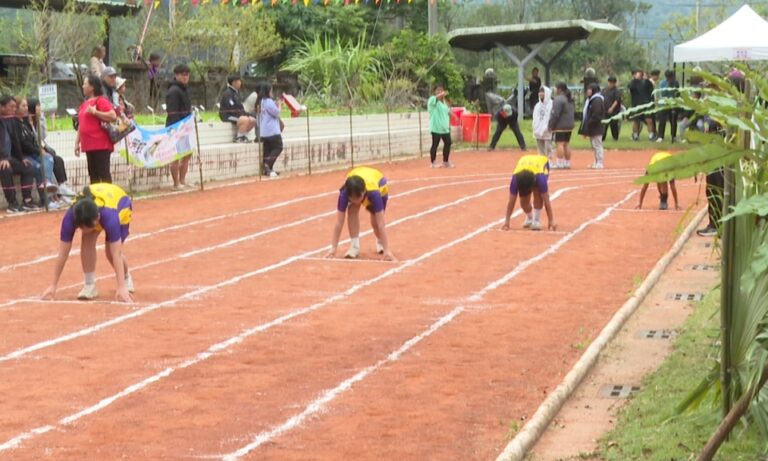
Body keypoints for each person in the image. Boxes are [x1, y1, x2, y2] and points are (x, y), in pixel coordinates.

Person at [42, 184, 134, 303]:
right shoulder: (70, 218)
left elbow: (117, 253)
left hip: (120, 205)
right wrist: (53, 285)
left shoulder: (110, 217)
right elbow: (62, 253)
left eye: (88, 227)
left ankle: (126, 278)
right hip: (98, 204)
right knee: (87, 238)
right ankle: (89, 285)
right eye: (81, 228)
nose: (85, 231)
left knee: (110, 253)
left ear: (98, 218)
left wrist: (121, 287)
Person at [325, 166, 395, 261]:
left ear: (363, 192)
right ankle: (355, 246)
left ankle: (380, 240)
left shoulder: (374, 193)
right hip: (358, 177)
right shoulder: (344, 193)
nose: (357, 201)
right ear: (348, 195)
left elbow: (381, 223)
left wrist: (387, 250)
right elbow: (339, 222)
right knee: (352, 209)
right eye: (352, 199)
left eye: (358, 198)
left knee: (375, 223)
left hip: (379, 184)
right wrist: (333, 248)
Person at [14, 97, 60, 208]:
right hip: (24, 155)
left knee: (49, 158)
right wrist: (39, 151)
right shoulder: (15, 123)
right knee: (39, 167)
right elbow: (24, 144)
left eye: (26, 105)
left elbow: (38, 138)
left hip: (33, 152)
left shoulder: (27, 121)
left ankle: (47, 183)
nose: (26, 108)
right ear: (17, 108)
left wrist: (38, 120)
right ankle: (46, 200)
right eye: (23, 106)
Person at [28, 98, 75, 201]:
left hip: (41, 148)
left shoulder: (38, 119)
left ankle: (61, 186)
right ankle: (56, 193)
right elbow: (35, 139)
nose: (40, 108)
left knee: (58, 159)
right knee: (49, 161)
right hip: (34, 151)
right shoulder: (28, 121)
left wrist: (41, 118)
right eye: (37, 105)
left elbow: (43, 136)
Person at [76, 75, 117, 184]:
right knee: (93, 175)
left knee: (103, 173)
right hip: (88, 144)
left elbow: (113, 116)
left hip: (100, 144)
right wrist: (77, 142)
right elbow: (81, 124)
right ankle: (96, 194)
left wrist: (96, 112)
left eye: (85, 84)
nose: (83, 86)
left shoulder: (101, 101)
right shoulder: (84, 104)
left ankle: (108, 193)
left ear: (92, 87)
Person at [501, 153, 556, 231]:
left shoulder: (541, 178)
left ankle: (536, 219)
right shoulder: (515, 179)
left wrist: (551, 221)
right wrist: (507, 221)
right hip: (525, 161)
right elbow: (511, 201)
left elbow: (546, 200)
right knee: (523, 200)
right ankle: (530, 218)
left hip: (541, 164)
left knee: (537, 192)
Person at [0, 95, 36, 213]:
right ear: (1, 107)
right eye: (11, 107)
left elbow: (15, 141)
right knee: (5, 169)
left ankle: (27, 200)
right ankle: (12, 203)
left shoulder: (12, 120)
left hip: (9, 157)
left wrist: (21, 158)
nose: (14, 110)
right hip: (2, 158)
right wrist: (2, 157)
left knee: (28, 167)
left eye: (15, 107)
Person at [165, 63, 193, 189]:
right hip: (175, 127)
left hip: (186, 126)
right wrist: (177, 128)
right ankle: (176, 183)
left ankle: (182, 180)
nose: (185, 77)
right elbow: (172, 111)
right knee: (175, 155)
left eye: (187, 75)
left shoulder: (185, 89)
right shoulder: (173, 91)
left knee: (187, 154)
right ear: (176, 75)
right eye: (183, 75)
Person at [255, 82, 284, 178]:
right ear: (267, 91)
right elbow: (277, 113)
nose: (272, 92)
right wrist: (279, 105)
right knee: (278, 147)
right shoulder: (268, 101)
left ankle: (268, 169)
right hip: (272, 130)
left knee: (267, 150)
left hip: (264, 131)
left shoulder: (261, 102)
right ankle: (267, 165)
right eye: (271, 90)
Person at [219, 74, 257, 143]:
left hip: (236, 115)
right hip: (228, 116)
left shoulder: (236, 93)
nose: (240, 83)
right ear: (234, 82)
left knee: (253, 120)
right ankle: (239, 137)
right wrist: (243, 116)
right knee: (245, 119)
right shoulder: (228, 93)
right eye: (239, 81)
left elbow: (240, 107)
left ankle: (243, 134)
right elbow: (231, 109)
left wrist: (247, 114)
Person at [548, 82, 575, 169]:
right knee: (566, 144)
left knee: (559, 144)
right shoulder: (569, 98)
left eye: (555, 88)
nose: (555, 90)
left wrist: (550, 125)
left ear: (559, 89)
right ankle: (567, 163)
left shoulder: (558, 99)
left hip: (560, 125)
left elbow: (555, 114)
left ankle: (559, 162)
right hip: (569, 125)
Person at [579, 83, 606, 169]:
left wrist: (589, 123)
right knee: (594, 145)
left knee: (597, 145)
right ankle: (596, 161)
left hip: (596, 126)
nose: (588, 91)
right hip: (593, 126)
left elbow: (596, 115)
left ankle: (600, 162)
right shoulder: (591, 100)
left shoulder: (597, 100)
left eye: (590, 89)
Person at [427, 84, 453, 168]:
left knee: (448, 143)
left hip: (444, 128)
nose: (440, 92)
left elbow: (448, 111)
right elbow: (437, 97)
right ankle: (433, 162)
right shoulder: (432, 100)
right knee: (435, 144)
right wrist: (442, 94)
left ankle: (445, 161)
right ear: (435, 92)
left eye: (441, 90)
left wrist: (453, 115)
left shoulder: (444, 102)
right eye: (438, 90)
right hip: (436, 128)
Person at [628, 69, 656, 141]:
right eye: (638, 74)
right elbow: (630, 87)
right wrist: (635, 79)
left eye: (640, 74)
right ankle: (635, 135)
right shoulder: (633, 83)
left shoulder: (646, 82)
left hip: (646, 104)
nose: (639, 75)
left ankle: (651, 135)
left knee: (649, 120)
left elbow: (651, 87)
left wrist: (645, 78)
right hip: (636, 105)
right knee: (636, 121)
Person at [656, 70, 680, 143]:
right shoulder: (662, 83)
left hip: (673, 103)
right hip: (664, 103)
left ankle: (673, 136)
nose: (671, 79)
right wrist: (668, 85)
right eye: (669, 77)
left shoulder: (676, 83)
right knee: (662, 120)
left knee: (673, 120)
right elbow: (663, 94)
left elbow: (678, 93)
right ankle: (660, 136)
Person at [532, 86, 553, 164]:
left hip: (547, 129)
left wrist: (547, 126)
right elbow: (535, 117)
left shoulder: (551, 104)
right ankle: (542, 161)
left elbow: (551, 116)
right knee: (540, 147)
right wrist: (535, 127)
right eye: (540, 92)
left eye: (543, 92)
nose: (541, 94)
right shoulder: (537, 105)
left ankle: (549, 161)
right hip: (538, 129)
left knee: (548, 146)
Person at [601, 76, 622, 142]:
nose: (610, 84)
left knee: (614, 125)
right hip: (605, 110)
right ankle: (602, 138)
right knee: (604, 125)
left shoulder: (616, 91)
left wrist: (612, 108)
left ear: (614, 83)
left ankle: (615, 138)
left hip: (614, 111)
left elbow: (616, 100)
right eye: (610, 82)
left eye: (612, 83)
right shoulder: (604, 90)